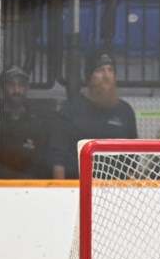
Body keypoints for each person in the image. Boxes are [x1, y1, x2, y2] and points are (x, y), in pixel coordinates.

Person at [46, 49, 138, 179]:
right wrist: (61, 191)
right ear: (90, 76)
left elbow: (132, 159)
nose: (106, 76)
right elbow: (58, 160)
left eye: (110, 70)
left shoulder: (125, 111)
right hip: (77, 189)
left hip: (116, 192)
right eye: (100, 70)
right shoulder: (69, 110)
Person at [0, 65, 54, 179]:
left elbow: (44, 165)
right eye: (10, 84)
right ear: (2, 88)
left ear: (27, 88)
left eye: (21, 84)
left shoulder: (40, 122)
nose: (16, 90)